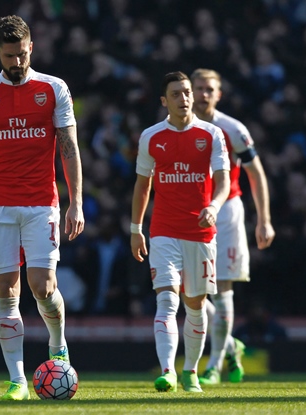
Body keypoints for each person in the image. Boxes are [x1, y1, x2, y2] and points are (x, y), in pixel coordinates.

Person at [0, 15, 84, 401]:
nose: (17, 63)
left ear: (33, 49)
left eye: (23, 55)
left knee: (43, 287)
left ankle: (57, 346)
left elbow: (68, 147)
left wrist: (76, 201)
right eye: (10, 56)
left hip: (41, 202)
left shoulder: (53, 89)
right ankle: (17, 380)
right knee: (5, 291)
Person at [130, 71, 230, 393]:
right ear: (164, 101)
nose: (185, 98)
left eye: (187, 92)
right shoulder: (151, 137)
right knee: (167, 301)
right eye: (177, 93)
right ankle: (167, 371)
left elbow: (224, 180)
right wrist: (136, 229)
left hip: (200, 233)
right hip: (164, 231)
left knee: (196, 305)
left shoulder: (212, 134)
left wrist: (213, 206)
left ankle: (191, 371)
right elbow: (142, 186)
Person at [190, 68, 275, 385]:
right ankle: (230, 345)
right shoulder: (178, 128)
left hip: (226, 212)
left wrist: (264, 219)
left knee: (222, 287)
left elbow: (257, 173)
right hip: (190, 213)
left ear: (219, 94)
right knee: (191, 290)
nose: (203, 94)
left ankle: (213, 365)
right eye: (198, 88)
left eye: (209, 89)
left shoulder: (232, 129)